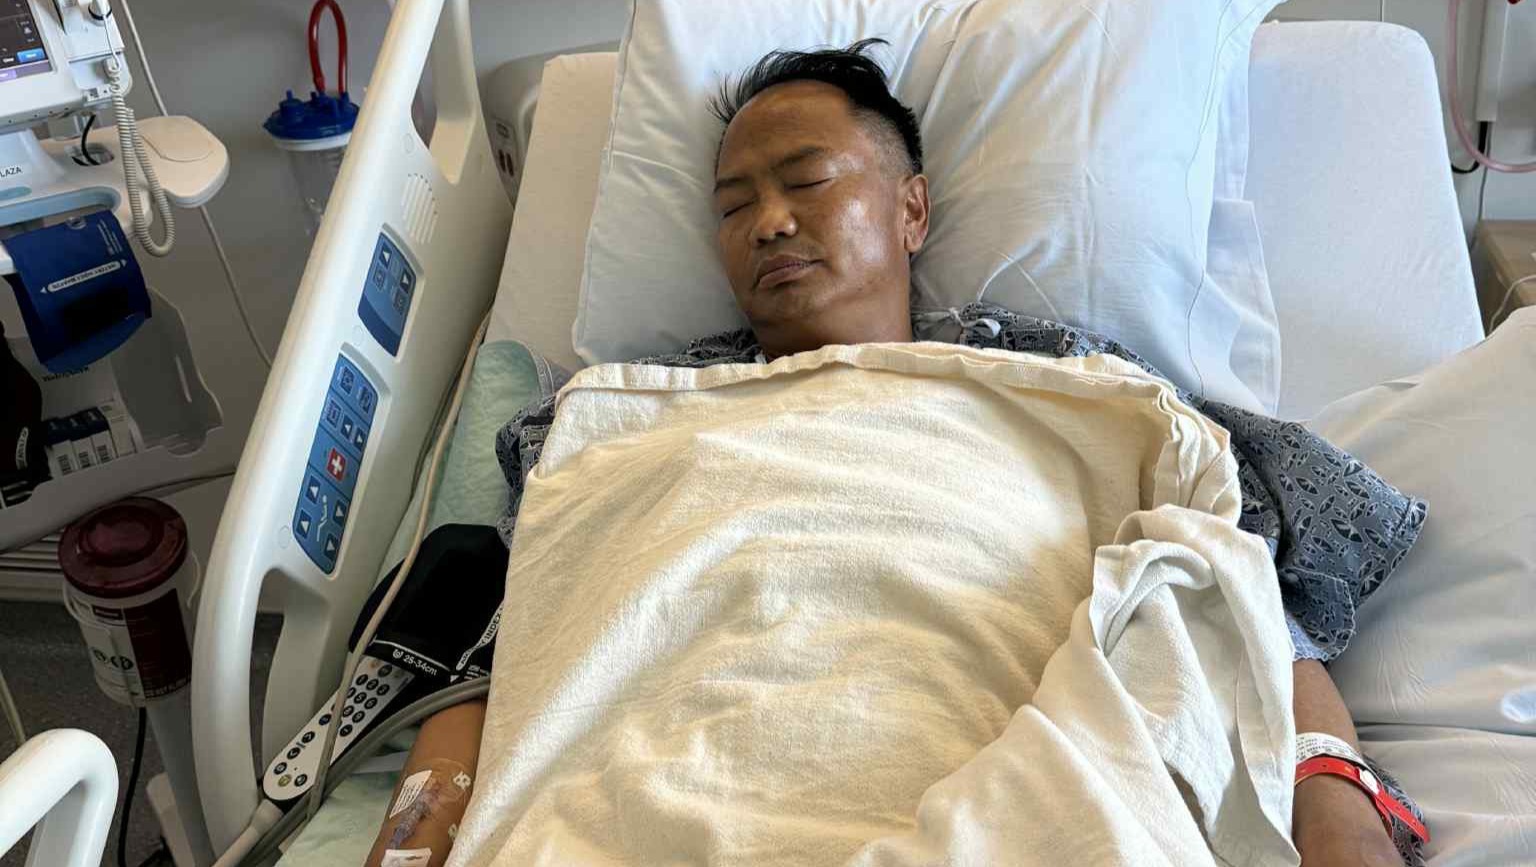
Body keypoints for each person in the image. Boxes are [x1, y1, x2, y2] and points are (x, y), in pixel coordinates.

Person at [367, 41, 1418, 867]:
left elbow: (1229, 579)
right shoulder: (621, 414)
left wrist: (1335, 796)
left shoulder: (1066, 381)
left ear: (911, 209)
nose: (767, 223)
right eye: (733, 207)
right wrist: (411, 843)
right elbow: (507, 647)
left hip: (1019, 785)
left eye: (806, 182)